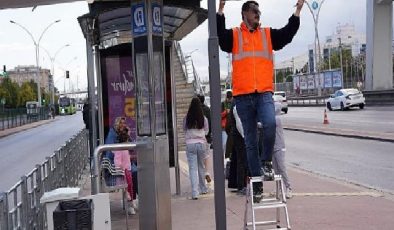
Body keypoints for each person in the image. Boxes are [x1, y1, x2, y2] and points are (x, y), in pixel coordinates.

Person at [217, 0, 304, 203]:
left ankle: (266, 161)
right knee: (249, 141)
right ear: (245, 13)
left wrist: (298, 11)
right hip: (242, 96)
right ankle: (256, 184)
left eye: (259, 11)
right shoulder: (235, 36)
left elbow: (287, 33)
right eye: (254, 11)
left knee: (270, 123)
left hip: (264, 92)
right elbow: (221, 39)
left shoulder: (267, 34)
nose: (258, 14)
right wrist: (220, 10)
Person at [183, 97, 209, 200]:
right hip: (201, 143)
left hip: (190, 144)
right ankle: (203, 188)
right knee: (201, 166)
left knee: (193, 168)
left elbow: (184, 129)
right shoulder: (203, 118)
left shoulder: (187, 118)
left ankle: (195, 193)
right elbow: (206, 131)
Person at [272, 102, 292, 199]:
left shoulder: (277, 119)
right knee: (276, 170)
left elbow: (263, 125)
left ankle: (288, 187)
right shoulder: (273, 118)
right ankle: (278, 189)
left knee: (281, 168)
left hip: (280, 147)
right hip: (273, 147)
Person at [197, 94, 212, 184]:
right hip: (207, 137)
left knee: (199, 158)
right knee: (206, 156)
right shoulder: (207, 109)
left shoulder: (194, 111)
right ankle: (206, 172)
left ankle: (201, 175)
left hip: (197, 138)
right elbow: (210, 122)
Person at [221, 90, 233, 159]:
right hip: (224, 127)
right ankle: (225, 159)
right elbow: (220, 115)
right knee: (224, 144)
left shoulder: (234, 103)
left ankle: (230, 158)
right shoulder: (223, 104)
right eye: (228, 98)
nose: (229, 99)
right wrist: (226, 112)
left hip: (232, 126)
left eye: (230, 98)